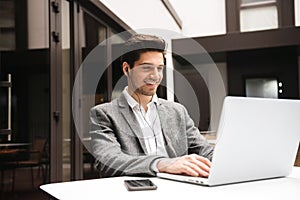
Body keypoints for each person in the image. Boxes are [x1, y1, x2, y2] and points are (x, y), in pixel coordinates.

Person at [90, 33, 213, 178]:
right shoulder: (104, 114)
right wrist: (163, 164)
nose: (155, 76)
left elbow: (204, 150)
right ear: (126, 69)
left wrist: (231, 160)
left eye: (159, 68)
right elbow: (109, 161)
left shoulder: (177, 111)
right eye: (146, 68)